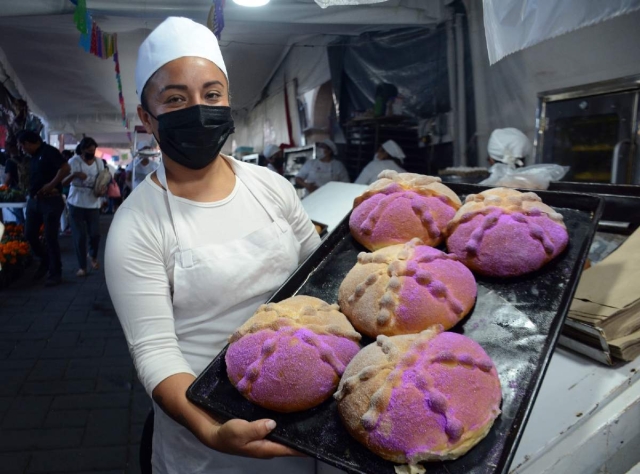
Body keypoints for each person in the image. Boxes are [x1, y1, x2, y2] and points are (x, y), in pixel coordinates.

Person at [104, 17, 320, 474]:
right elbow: (155, 350)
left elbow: (317, 276)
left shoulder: (271, 187)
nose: (198, 109)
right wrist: (210, 430)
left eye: (212, 94)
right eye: (176, 99)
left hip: (303, 408)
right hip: (205, 438)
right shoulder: (137, 225)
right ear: (147, 118)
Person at [17, 130, 70, 286]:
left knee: (50, 237)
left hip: (51, 201)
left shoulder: (49, 151)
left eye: (22, 146)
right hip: (34, 202)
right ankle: (45, 260)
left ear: (28, 143)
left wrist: (51, 185)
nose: (22, 149)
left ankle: (55, 273)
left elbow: (66, 168)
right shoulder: (33, 157)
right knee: (29, 234)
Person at [64, 137, 104, 277]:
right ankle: (82, 266)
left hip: (93, 202)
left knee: (95, 234)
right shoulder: (73, 161)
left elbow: (103, 179)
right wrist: (75, 175)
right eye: (88, 151)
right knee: (79, 236)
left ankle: (92, 255)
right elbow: (63, 181)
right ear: (82, 150)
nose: (91, 153)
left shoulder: (99, 162)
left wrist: (102, 189)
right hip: (76, 202)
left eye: (93, 151)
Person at [3, 139, 28, 224]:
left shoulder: (9, 161)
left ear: (10, 149)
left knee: (18, 212)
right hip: (27, 188)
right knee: (29, 211)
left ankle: (21, 230)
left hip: (15, 189)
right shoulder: (25, 159)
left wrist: (3, 188)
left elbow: (9, 177)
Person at [59, 149, 74, 235]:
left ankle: (67, 227)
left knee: (67, 211)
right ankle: (67, 227)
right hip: (68, 190)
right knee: (68, 210)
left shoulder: (67, 165)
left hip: (67, 190)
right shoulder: (70, 164)